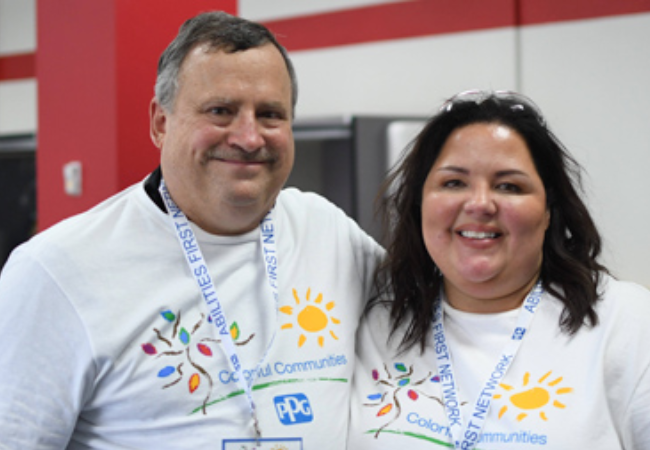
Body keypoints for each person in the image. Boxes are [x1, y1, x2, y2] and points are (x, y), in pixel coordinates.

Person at [0, 11, 382, 449]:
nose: (249, 136)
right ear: (160, 123)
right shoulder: (56, 270)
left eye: (271, 114)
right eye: (221, 111)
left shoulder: (327, 231)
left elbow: (437, 314)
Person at [348, 90, 650, 449]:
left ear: (549, 210)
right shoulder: (371, 323)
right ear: (419, 204)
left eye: (509, 186)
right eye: (453, 183)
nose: (479, 204)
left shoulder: (626, 323)